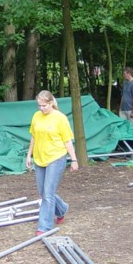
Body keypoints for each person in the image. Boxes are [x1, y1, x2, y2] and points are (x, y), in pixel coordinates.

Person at [25, 90, 79, 235]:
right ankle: (62, 209)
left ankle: (44, 227)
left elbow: (67, 141)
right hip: (40, 158)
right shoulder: (36, 116)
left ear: (51, 103)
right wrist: (29, 155)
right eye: (39, 106)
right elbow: (33, 137)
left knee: (48, 194)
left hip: (56, 157)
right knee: (44, 192)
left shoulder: (60, 118)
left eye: (44, 106)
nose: (41, 108)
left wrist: (74, 159)